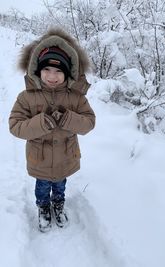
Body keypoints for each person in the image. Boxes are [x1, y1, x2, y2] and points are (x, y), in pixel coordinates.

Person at [9, 28, 96, 232]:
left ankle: (58, 204)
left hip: (66, 156)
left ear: (67, 73)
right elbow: (15, 125)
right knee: (42, 187)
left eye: (59, 71)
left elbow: (89, 122)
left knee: (60, 185)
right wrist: (41, 124)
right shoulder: (26, 97)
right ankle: (43, 207)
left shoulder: (76, 97)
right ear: (37, 70)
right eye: (47, 70)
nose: (52, 76)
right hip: (40, 158)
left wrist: (68, 119)